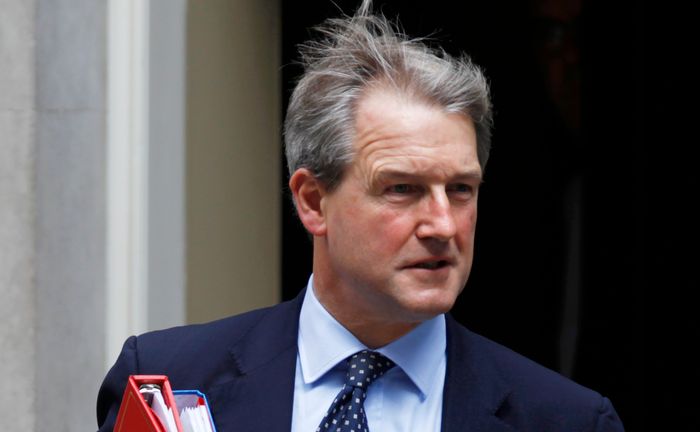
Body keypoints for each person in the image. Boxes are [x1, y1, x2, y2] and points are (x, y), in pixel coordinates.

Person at [97, 1, 624, 431]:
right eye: (402, 189)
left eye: (461, 190)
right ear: (312, 201)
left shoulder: (564, 419)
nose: (443, 225)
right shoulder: (168, 377)